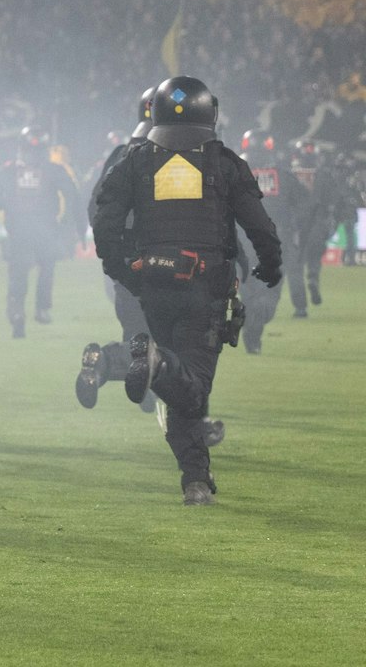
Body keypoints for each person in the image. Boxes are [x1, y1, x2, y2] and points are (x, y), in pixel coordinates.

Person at [92, 77, 281, 505]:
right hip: (206, 287)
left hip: (154, 288)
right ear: (209, 112)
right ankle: (143, 366)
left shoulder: (135, 161)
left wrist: (122, 269)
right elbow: (258, 224)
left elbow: (104, 218)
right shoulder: (224, 162)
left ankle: (195, 479)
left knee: (180, 382)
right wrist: (270, 265)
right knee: (193, 387)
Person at [77, 89, 158, 409]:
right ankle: (142, 380)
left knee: (137, 332)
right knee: (175, 337)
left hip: (126, 262)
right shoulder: (183, 158)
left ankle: (108, 367)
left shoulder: (121, 155)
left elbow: (96, 206)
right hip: (170, 258)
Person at [0, 128, 79, 338]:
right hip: (46, 229)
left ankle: (17, 310)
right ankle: (42, 308)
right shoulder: (54, 170)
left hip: (18, 231)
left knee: (18, 274)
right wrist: (66, 223)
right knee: (47, 268)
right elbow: (71, 194)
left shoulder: (8, 170)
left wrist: (6, 204)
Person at [235, 130, 302, 354]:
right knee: (269, 296)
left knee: (250, 294)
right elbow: (305, 206)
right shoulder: (283, 176)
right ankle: (252, 330)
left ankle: (250, 328)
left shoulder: (232, 174)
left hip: (243, 244)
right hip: (275, 243)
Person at [289, 140, 345, 317]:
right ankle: (313, 276)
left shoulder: (290, 174)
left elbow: (284, 199)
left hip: (296, 224)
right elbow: (336, 200)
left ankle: (300, 308)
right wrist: (332, 221)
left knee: (295, 266)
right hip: (318, 222)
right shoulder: (325, 175)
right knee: (315, 256)